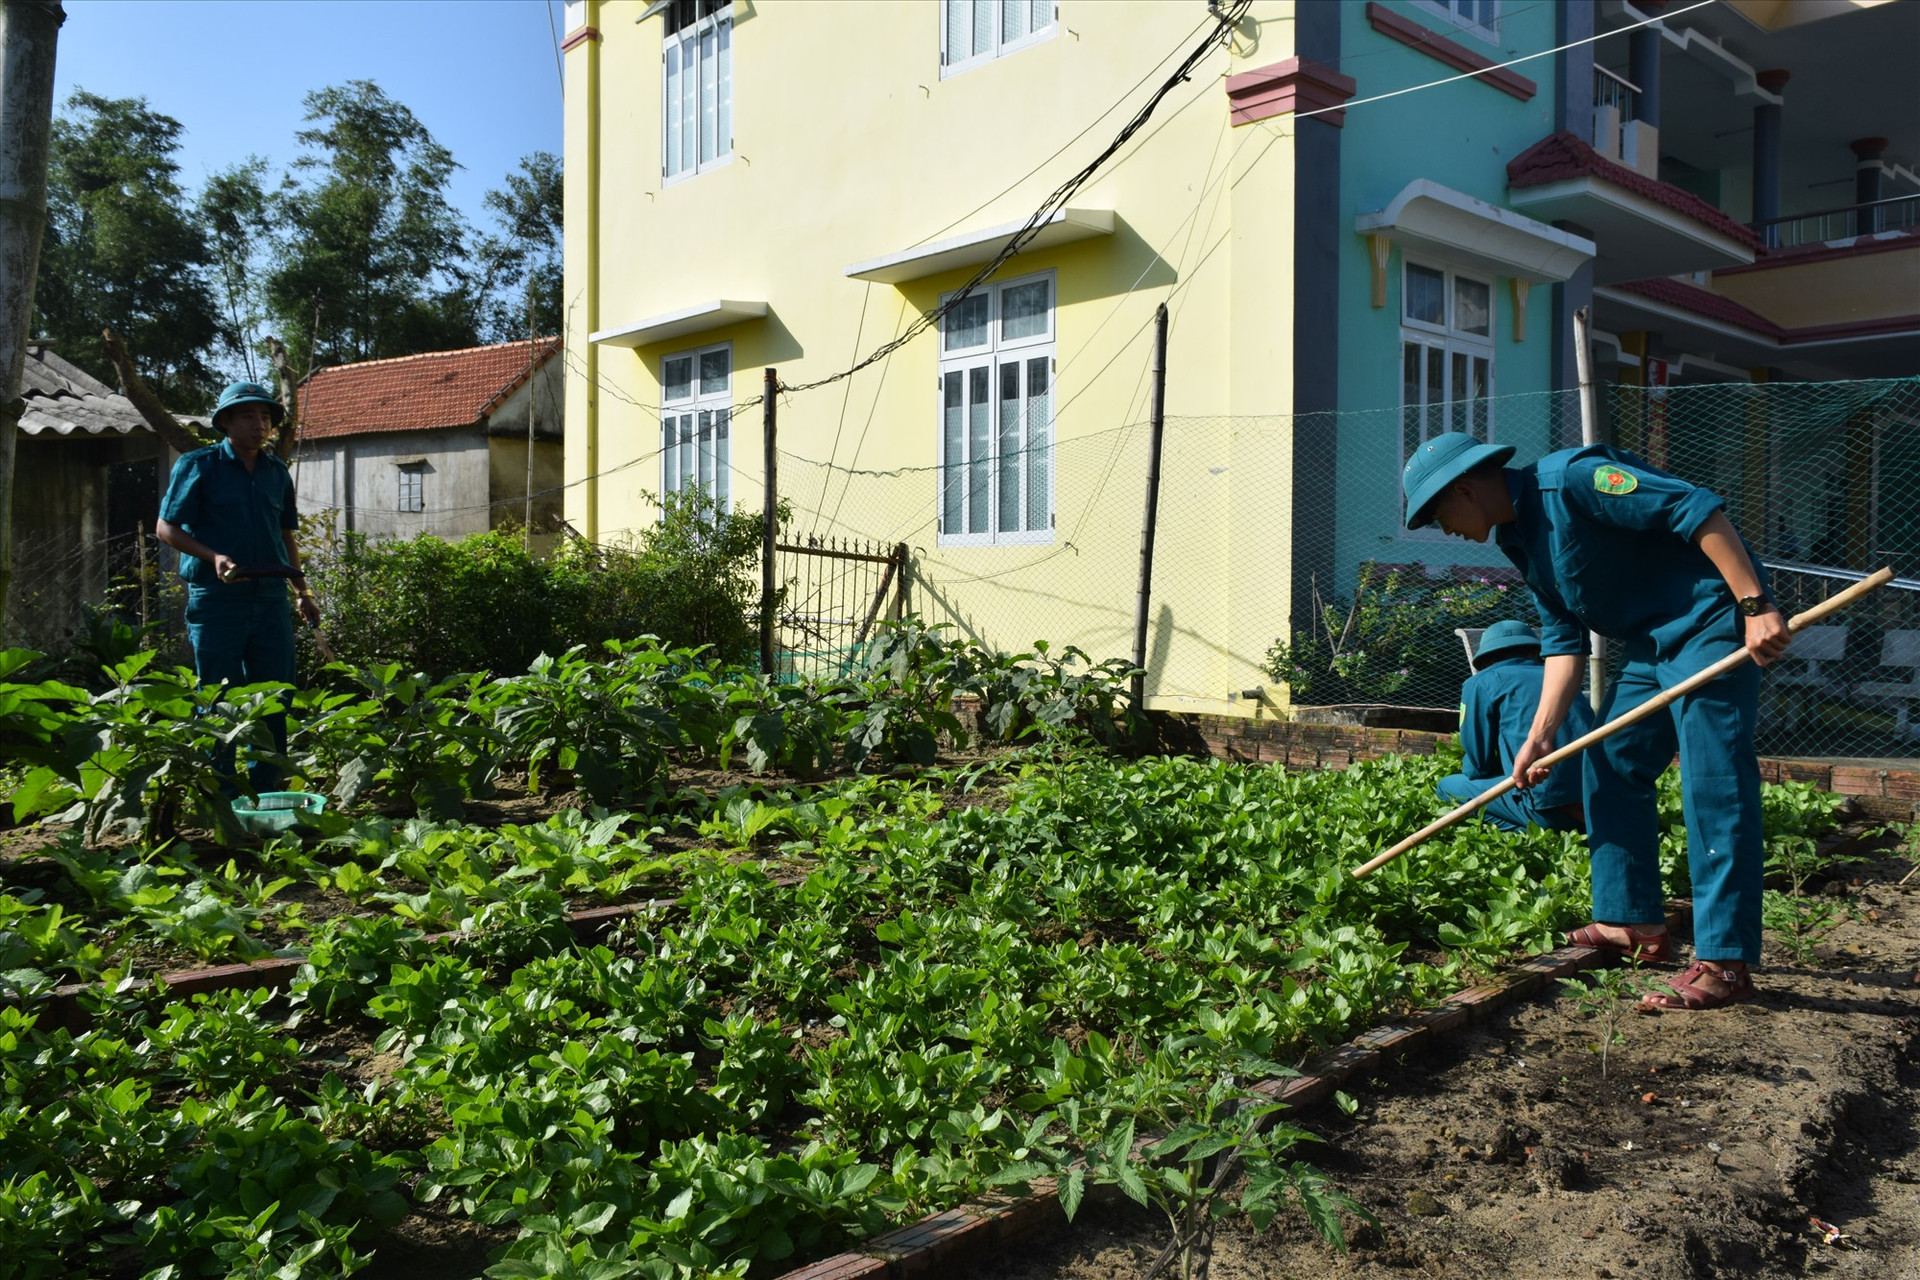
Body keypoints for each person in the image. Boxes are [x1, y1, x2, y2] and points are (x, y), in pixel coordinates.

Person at [1401, 433, 1791, 1011]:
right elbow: (1562, 641)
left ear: (1465, 490)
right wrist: (1539, 737)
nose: (1445, 529)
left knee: (1714, 785)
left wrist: (1754, 605)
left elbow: (1696, 509)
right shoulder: (1519, 538)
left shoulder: (1574, 480)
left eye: (1440, 515)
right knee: (1608, 765)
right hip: (1649, 648)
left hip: (1708, 628)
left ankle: (1725, 964)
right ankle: (1631, 921)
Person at [155, 381, 321, 792]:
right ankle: (222, 797)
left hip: (269, 599)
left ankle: (267, 794)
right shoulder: (199, 465)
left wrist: (303, 593)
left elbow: (286, 537)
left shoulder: (276, 473)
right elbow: (166, 528)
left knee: (275, 699)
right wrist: (214, 557)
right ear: (225, 422)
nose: (259, 424)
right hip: (217, 600)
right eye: (248, 415)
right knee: (218, 698)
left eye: (265, 417)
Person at [1437, 619, 1594, 833]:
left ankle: (1531, 834)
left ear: (1486, 657)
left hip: (1549, 810)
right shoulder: (1562, 679)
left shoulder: (1480, 683)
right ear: (1534, 650)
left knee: (1447, 787)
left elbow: (1478, 765)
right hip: (1598, 805)